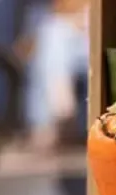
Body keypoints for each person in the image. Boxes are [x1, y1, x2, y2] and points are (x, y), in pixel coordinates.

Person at [22, 0, 88, 149]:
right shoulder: (42, 9)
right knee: (53, 36)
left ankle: (50, 120)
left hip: (89, 43)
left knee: (53, 38)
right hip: (65, 44)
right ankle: (61, 107)